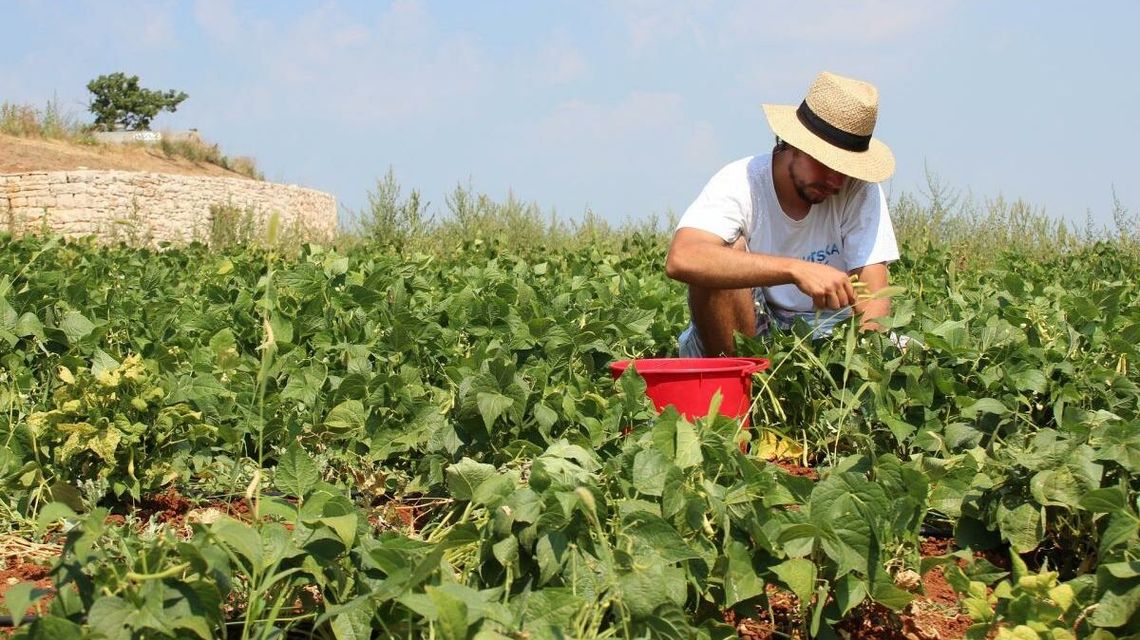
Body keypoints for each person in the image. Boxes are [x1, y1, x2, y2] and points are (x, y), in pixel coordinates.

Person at [665, 70, 899, 357]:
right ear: (794, 144)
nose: (836, 182)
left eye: (846, 169)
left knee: (910, 357)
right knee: (725, 253)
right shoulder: (742, 181)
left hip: (827, 330)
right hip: (750, 325)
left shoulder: (859, 190)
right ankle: (738, 381)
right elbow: (682, 258)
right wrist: (795, 269)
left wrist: (860, 367)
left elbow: (873, 299)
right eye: (825, 164)